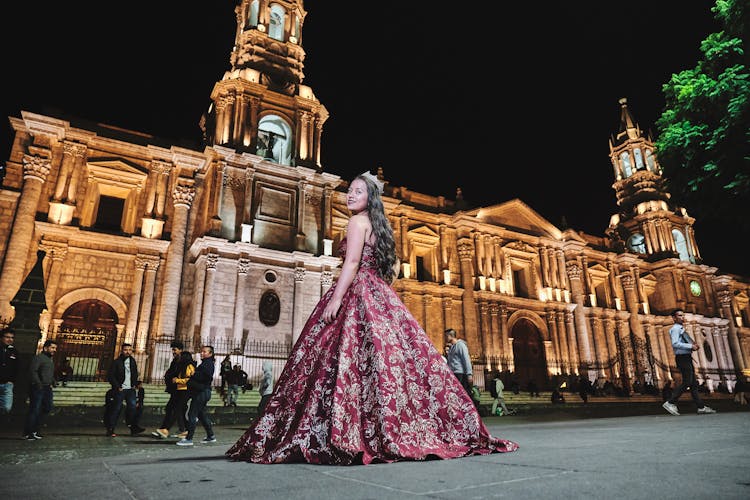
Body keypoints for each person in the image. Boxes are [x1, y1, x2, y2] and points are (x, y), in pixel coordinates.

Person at [226, 172, 519, 464]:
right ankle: (383, 428)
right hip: (378, 292)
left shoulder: (356, 221)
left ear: (370, 198)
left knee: (338, 356)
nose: (350, 195)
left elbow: (352, 262)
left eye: (357, 192)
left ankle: (346, 429)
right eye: (350, 191)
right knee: (381, 362)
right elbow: (383, 267)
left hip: (356, 290)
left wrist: (338, 298)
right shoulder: (381, 227)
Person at [662, 309, 716, 416]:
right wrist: (691, 346)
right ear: (673, 318)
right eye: (679, 316)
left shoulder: (681, 329)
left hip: (687, 357)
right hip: (682, 358)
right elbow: (675, 343)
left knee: (693, 384)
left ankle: (700, 407)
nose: (682, 317)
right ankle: (670, 402)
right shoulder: (675, 329)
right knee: (687, 382)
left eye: (683, 315)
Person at [177, 345, 216, 446]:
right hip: (203, 392)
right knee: (201, 414)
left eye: (205, 352)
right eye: (201, 351)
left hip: (201, 392)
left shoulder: (207, 364)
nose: (202, 353)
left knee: (192, 414)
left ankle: (189, 438)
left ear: (210, 353)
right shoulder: (207, 363)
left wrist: (193, 374)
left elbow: (206, 377)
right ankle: (210, 436)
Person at [106, 343, 146, 436]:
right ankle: (111, 429)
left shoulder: (132, 361)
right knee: (116, 408)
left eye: (129, 350)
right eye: (125, 350)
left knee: (132, 407)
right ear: (122, 350)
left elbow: (135, 373)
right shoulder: (116, 362)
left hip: (130, 389)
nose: (127, 351)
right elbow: (111, 376)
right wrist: (117, 386)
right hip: (120, 389)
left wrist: (135, 383)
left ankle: (133, 427)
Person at [151, 340, 188, 439]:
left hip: (182, 389)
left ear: (180, 350)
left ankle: (166, 429)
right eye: (172, 350)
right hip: (176, 389)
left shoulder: (185, 361)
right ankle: (181, 430)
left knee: (176, 409)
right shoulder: (176, 360)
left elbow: (186, 376)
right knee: (175, 410)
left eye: (175, 350)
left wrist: (177, 380)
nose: (173, 352)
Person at [22, 339, 57, 440]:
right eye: (52, 348)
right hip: (38, 387)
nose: (54, 350)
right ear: (46, 348)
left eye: (55, 348)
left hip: (47, 387)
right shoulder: (38, 358)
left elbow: (48, 373)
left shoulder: (50, 360)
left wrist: (53, 381)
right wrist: (38, 383)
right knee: (35, 409)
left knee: (47, 407)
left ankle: (35, 429)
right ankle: (28, 432)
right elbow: (33, 371)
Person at [444, 328, 473, 397]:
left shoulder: (460, 345)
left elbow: (466, 359)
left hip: (460, 374)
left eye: (446, 336)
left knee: (463, 394)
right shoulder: (451, 347)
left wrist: (469, 374)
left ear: (450, 336)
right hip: (454, 373)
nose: (445, 338)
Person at [0, 326, 19, 416]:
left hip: (7, 384)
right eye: (7, 337)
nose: (10, 339)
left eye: (12, 337)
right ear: (2, 337)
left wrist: (12, 381)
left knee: (7, 407)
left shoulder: (14, 352)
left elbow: (17, 368)